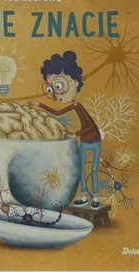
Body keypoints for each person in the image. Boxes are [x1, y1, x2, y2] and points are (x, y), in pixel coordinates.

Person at [35, 51, 103, 208]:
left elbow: (91, 126)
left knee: (93, 169)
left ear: (76, 82)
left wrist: (76, 134)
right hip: (85, 141)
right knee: (81, 170)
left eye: (58, 86)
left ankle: (96, 198)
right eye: (51, 89)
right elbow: (57, 113)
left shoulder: (79, 106)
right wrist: (39, 105)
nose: (56, 95)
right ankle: (84, 196)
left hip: (95, 140)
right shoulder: (73, 105)